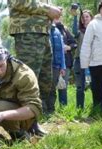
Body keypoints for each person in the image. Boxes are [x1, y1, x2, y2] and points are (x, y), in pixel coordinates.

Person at [8, 0, 61, 135]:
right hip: (27, 32)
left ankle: (33, 122)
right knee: (28, 81)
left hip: (43, 32)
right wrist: (48, 9)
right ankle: (20, 126)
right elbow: (18, 3)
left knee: (44, 81)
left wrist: (52, 10)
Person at [73, 10, 93, 109]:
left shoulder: (95, 30)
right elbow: (74, 31)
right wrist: (75, 16)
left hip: (93, 61)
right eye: (83, 17)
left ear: (91, 18)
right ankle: (80, 108)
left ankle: (96, 107)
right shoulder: (79, 31)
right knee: (80, 87)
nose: (85, 19)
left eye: (87, 17)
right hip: (79, 61)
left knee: (94, 85)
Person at [48, 19, 66, 113]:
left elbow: (62, 51)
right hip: (46, 65)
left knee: (52, 89)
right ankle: (43, 110)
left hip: (56, 65)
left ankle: (51, 110)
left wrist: (62, 66)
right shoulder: (43, 29)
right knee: (44, 88)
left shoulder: (57, 31)